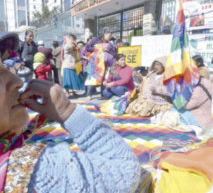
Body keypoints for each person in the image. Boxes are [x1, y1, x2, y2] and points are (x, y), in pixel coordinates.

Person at [0, 32, 140, 192]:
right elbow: (125, 172)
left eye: (4, 66)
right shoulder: (32, 171)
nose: (17, 81)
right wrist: (67, 111)